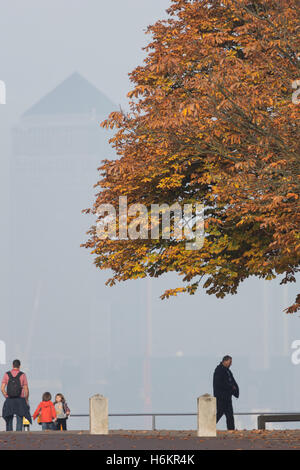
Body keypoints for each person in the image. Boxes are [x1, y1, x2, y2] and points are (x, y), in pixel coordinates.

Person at [1, 359, 31, 431]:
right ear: (19, 366)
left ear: (12, 365)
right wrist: (26, 399)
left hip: (9, 400)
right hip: (20, 399)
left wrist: (6, 396)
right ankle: (19, 437)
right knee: (19, 419)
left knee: (9, 419)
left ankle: (9, 436)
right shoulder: (23, 375)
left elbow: (2, 388)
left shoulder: (7, 374)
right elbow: (26, 389)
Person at [213, 355, 239, 430]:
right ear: (225, 361)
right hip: (221, 397)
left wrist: (235, 390)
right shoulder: (219, 370)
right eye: (230, 362)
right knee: (220, 413)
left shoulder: (227, 371)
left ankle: (231, 430)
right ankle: (208, 426)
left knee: (229, 415)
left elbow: (232, 381)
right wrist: (231, 387)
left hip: (227, 396)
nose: (231, 364)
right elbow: (219, 383)